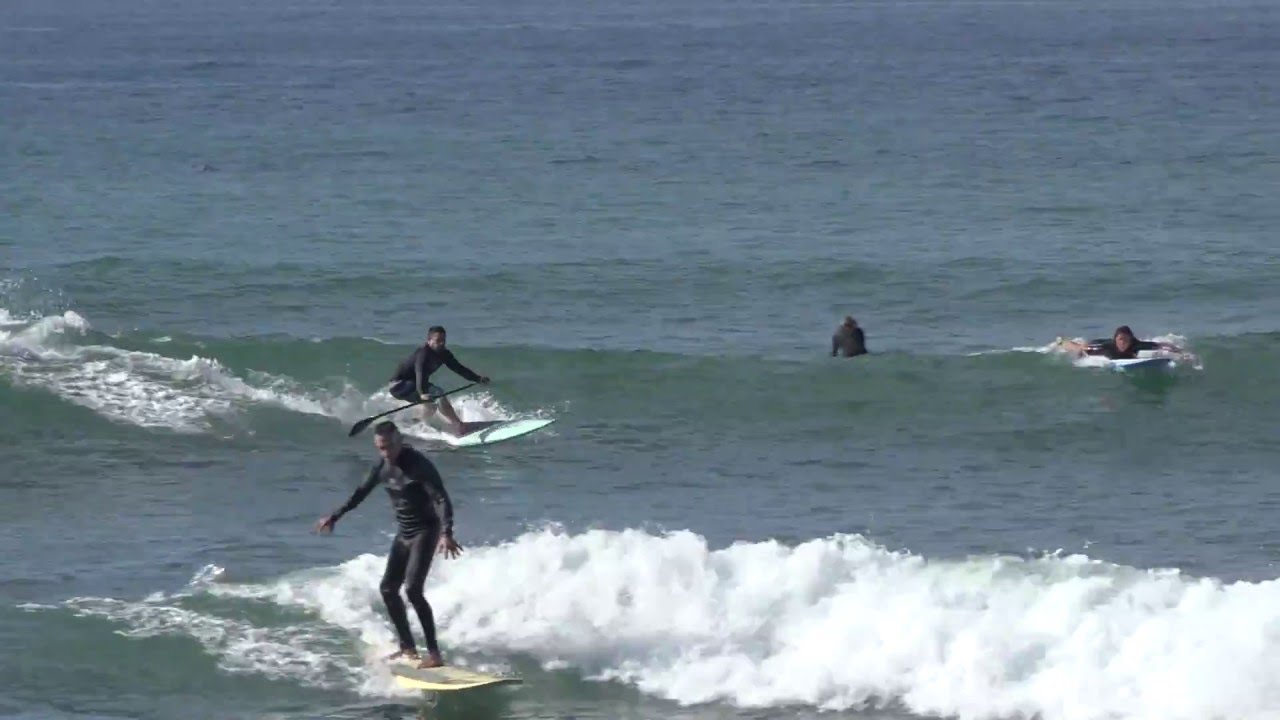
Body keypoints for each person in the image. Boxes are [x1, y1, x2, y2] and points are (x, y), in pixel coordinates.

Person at [313, 421, 463, 668]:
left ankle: (435, 654)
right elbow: (360, 494)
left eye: (390, 446)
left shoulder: (418, 465)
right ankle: (408, 648)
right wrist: (335, 516)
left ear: (399, 440)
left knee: (413, 590)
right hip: (404, 533)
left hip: (426, 530)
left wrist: (447, 532)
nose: (387, 452)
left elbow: (440, 498)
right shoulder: (381, 467)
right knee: (387, 589)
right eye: (381, 448)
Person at [388, 326, 490, 435]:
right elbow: (420, 373)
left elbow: (459, 369)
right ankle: (459, 425)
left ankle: (417, 424)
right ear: (429, 341)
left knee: (431, 405)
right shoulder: (423, 354)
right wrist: (422, 393)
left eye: (443, 340)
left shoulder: (444, 354)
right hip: (399, 386)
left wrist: (477, 378)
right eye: (438, 341)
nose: (441, 343)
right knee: (438, 394)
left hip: (414, 384)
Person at [1059, 325, 1183, 360]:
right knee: (1083, 348)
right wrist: (1080, 348)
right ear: (1116, 340)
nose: (1123, 342)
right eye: (1120, 339)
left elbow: (1161, 345)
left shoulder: (1136, 345)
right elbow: (1086, 346)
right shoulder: (1110, 344)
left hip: (1123, 357)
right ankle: (1062, 342)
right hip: (1107, 352)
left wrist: (1181, 352)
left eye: (1126, 339)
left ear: (1131, 339)